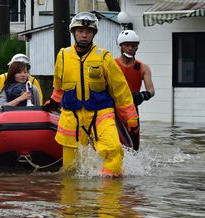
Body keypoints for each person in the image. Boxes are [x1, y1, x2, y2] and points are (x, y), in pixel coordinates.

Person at [42, 12, 138, 177]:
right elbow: (59, 84)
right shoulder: (63, 56)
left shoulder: (104, 57)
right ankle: (72, 201)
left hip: (101, 113)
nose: (84, 34)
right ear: (73, 33)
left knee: (114, 149)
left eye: (88, 31)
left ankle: (108, 194)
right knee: (70, 168)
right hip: (71, 116)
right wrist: (53, 101)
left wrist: (131, 119)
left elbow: (121, 90)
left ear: (93, 34)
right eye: (80, 31)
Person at [115, 30, 155, 151]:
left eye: (133, 45)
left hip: (132, 110)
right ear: (121, 46)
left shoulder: (143, 67)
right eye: (127, 45)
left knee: (134, 146)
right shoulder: (112, 64)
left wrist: (143, 95)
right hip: (113, 109)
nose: (130, 48)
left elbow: (151, 90)